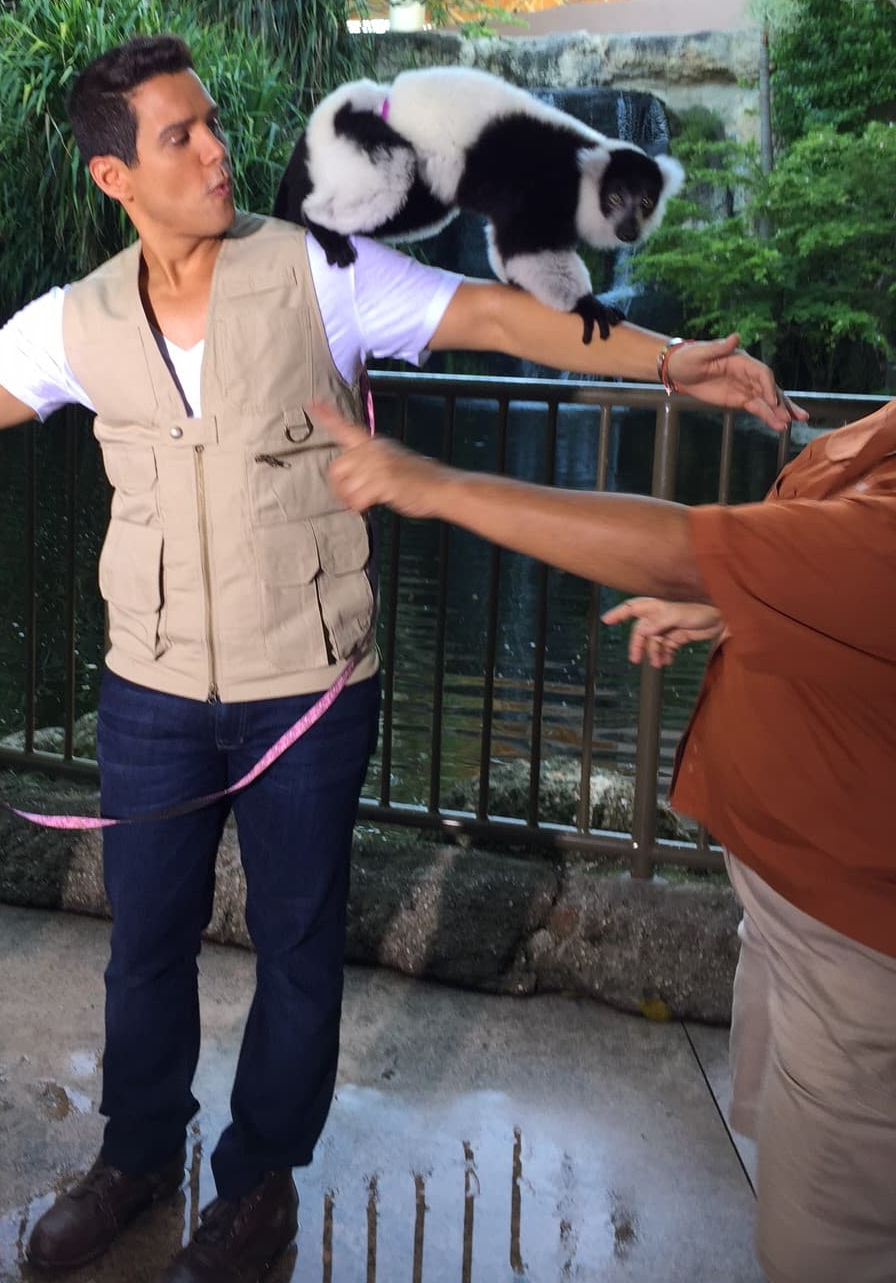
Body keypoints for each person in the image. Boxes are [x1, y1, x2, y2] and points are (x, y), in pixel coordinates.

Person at [0, 37, 799, 1283]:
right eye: (179, 137)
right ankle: (139, 1155)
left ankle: (260, 1182)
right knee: (143, 943)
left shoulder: (323, 273)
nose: (217, 152)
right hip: (151, 688)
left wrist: (661, 358)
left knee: (298, 944)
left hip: (308, 686)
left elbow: (490, 313)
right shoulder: (77, 319)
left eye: (212, 124)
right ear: (116, 178)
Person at [313, 395, 896, 1283]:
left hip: (859, 940)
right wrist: (745, 606)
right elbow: (837, 570)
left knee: (829, 1240)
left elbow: (683, 547)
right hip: (795, 900)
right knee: (788, 1140)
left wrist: (431, 483)